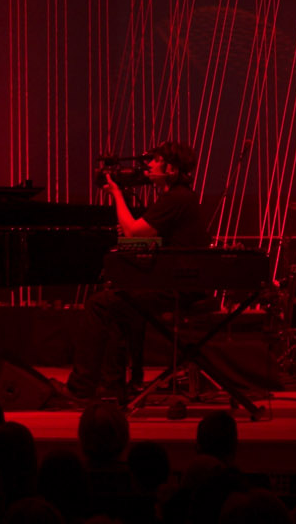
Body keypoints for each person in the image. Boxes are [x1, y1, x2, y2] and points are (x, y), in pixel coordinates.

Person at [66, 140, 211, 402]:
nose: (149, 165)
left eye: (156, 160)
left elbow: (134, 233)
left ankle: (82, 387)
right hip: (179, 281)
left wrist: (117, 194)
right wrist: (131, 232)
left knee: (99, 305)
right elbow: (150, 239)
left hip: (179, 287)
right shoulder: (179, 197)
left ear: (171, 169)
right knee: (117, 301)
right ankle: (113, 386)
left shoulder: (176, 198)